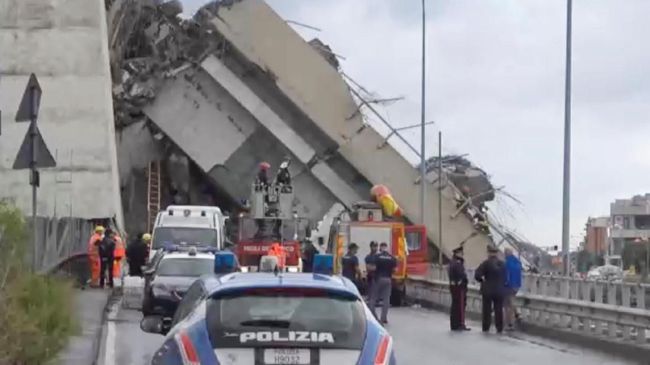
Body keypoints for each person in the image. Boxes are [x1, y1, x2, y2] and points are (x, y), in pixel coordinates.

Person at [474, 245, 507, 333]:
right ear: (497, 253)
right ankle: (499, 328)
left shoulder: (486, 263)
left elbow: (477, 275)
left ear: (489, 253)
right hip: (500, 290)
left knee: (486, 310)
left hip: (488, 290)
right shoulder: (502, 264)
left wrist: (482, 280)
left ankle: (486, 327)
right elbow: (506, 277)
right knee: (499, 309)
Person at [368, 242, 397, 325]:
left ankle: (374, 317)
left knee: (373, 299)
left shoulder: (377, 257)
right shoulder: (392, 258)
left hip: (378, 279)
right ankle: (383, 318)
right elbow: (395, 270)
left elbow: (373, 268)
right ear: (387, 248)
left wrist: (369, 269)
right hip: (388, 279)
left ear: (380, 248)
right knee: (386, 300)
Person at [448, 246, 470, 331]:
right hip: (459, 287)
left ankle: (454, 324)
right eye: (461, 253)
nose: (462, 255)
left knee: (455, 305)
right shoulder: (457, 263)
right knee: (460, 306)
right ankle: (460, 323)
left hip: (453, 286)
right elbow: (461, 275)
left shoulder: (452, 262)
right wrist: (465, 280)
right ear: (458, 253)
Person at [504, 248, 522, 330]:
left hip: (509, 285)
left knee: (508, 305)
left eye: (505, 253)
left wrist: (505, 283)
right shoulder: (518, 262)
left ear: (506, 254)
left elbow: (506, 275)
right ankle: (517, 314)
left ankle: (510, 323)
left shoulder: (507, 263)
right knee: (512, 300)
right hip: (517, 285)